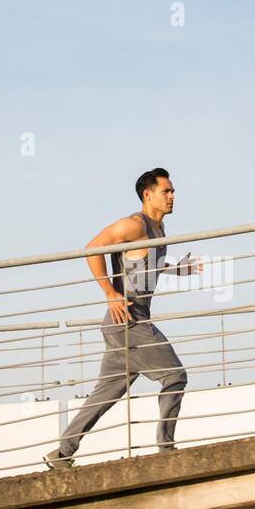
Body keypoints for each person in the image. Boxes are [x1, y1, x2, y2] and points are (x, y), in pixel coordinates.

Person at [44, 168, 203, 469]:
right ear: (148, 194)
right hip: (128, 320)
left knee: (104, 394)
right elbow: (93, 248)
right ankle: (167, 451)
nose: (172, 196)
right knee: (174, 376)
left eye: (172, 191)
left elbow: (140, 262)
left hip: (122, 325)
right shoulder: (133, 224)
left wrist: (173, 269)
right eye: (166, 191)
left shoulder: (159, 229)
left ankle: (61, 453)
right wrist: (108, 291)